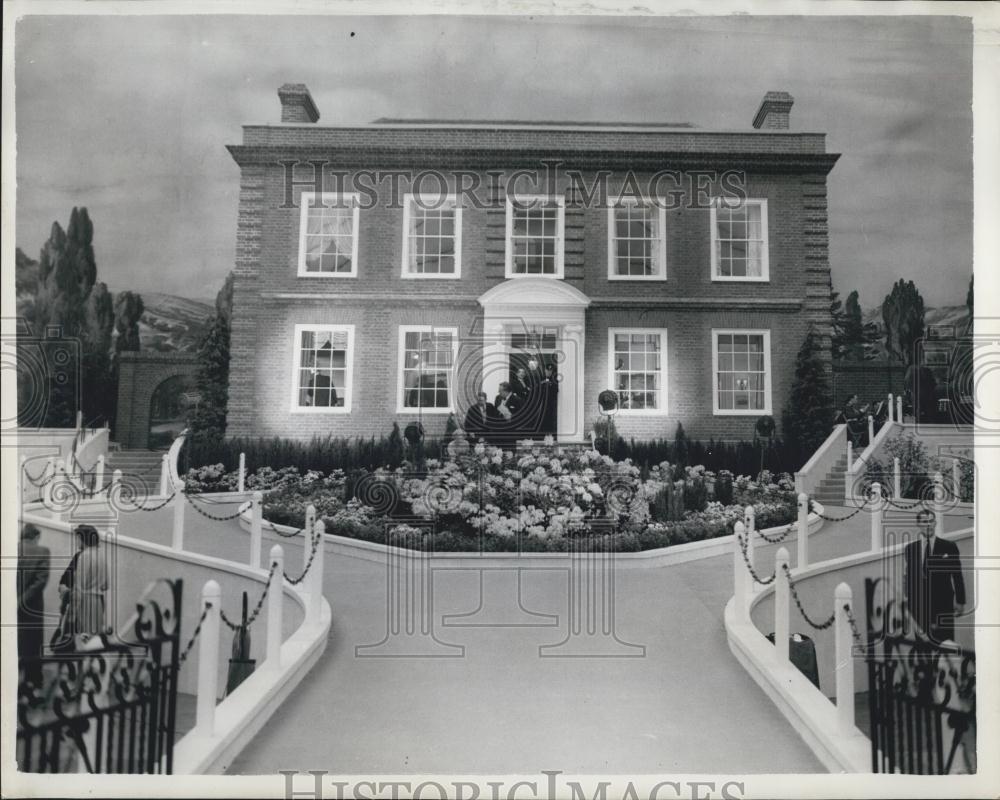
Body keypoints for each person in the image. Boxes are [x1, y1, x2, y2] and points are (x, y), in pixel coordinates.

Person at [903, 509, 966, 644]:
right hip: (919, 606)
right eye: (924, 522)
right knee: (922, 648)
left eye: (931, 521)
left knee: (945, 646)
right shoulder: (910, 548)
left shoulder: (948, 546)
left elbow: (957, 575)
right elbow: (909, 576)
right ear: (918, 524)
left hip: (943, 604)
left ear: (935, 523)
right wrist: (908, 600)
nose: (928, 525)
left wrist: (961, 601)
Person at [55, 525, 109, 648]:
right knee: (93, 641)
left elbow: (74, 585)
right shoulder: (102, 557)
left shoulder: (82, 556)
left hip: (82, 603)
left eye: (77, 538)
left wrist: (70, 615)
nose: (76, 541)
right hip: (98, 604)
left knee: (72, 643)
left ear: (82, 538)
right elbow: (105, 585)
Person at [18, 524, 49, 687]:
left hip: (11, 608)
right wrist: (22, 600)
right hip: (32, 609)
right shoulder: (43, 552)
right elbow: (40, 582)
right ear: (36, 537)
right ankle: (33, 682)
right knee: (33, 646)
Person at [493, 382, 523, 447]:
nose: (498, 392)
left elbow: (521, 417)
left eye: (500, 390)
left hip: (510, 433)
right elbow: (495, 413)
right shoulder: (497, 398)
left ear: (506, 391)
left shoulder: (517, 400)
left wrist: (510, 418)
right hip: (498, 433)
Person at [540, 363, 559, 439]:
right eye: (547, 370)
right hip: (542, 404)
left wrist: (551, 384)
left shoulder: (554, 380)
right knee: (542, 420)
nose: (549, 372)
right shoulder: (540, 379)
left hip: (550, 404)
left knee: (550, 420)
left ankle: (550, 437)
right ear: (545, 370)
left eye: (550, 371)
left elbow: (556, 391)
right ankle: (541, 436)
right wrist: (543, 383)